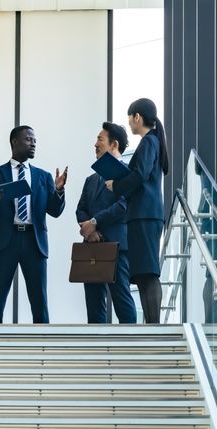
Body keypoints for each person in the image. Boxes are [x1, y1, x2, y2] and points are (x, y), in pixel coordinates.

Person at [0, 125, 68, 323]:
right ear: (14, 141)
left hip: (33, 242)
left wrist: (59, 191)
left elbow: (55, 211)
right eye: (28, 139)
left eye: (35, 140)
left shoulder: (43, 177)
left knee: (39, 301)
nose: (33, 143)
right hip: (5, 241)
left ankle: (43, 347)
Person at [105, 97, 169, 324]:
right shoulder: (152, 141)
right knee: (143, 272)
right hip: (143, 214)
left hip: (145, 215)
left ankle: (154, 326)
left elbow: (140, 174)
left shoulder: (149, 141)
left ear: (137, 117)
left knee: (148, 272)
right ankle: (151, 325)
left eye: (130, 119)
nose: (129, 124)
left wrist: (117, 185)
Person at [76, 122, 137, 325]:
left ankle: (130, 350)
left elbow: (122, 206)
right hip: (92, 246)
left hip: (116, 246)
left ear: (114, 144)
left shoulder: (128, 175)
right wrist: (90, 231)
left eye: (100, 140)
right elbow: (81, 208)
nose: (95, 144)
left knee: (122, 302)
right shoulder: (90, 179)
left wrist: (94, 222)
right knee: (93, 306)